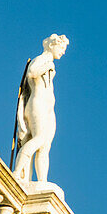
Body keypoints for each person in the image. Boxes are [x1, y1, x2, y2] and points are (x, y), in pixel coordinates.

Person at [12, 34, 69, 183]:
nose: (63, 52)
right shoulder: (42, 59)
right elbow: (31, 73)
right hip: (37, 104)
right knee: (38, 139)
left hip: (48, 109)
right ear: (52, 45)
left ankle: (42, 181)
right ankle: (17, 173)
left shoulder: (51, 63)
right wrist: (47, 66)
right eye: (61, 48)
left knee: (45, 146)